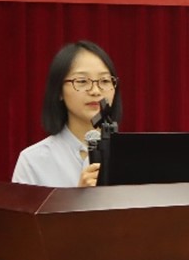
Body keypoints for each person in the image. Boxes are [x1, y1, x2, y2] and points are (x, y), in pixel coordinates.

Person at [12, 40, 123, 187]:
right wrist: (79, 197)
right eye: (82, 81)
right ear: (59, 90)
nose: (95, 91)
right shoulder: (33, 161)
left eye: (104, 81)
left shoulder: (133, 155)